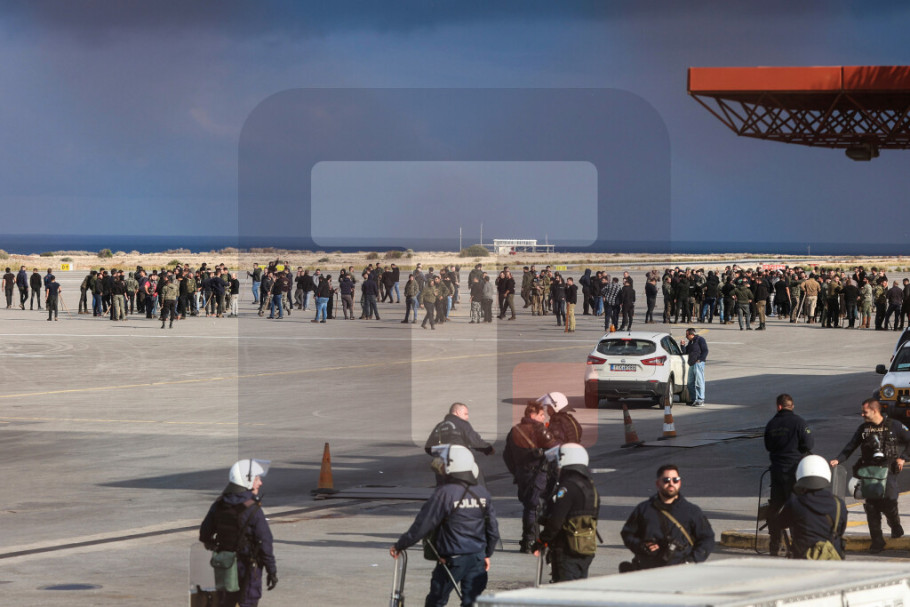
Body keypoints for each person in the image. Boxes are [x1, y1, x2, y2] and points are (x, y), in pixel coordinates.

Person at [390, 445, 499, 607]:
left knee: (436, 601)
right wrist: (486, 554)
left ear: (452, 465)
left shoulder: (445, 493)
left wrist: (401, 545)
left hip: (453, 559)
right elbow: (493, 529)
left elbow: (423, 525)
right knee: (471, 602)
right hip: (477, 557)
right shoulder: (482, 493)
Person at [830, 398, 910, 552]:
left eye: (865, 412)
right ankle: (877, 541)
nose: (862, 414)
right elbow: (851, 445)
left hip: (888, 470)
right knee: (871, 507)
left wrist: (902, 458)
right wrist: (838, 459)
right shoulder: (864, 429)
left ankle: (895, 525)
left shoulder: (894, 425)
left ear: (875, 411)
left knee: (889, 503)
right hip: (869, 472)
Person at [199, 459, 277, 607]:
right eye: (257, 479)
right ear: (247, 481)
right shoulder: (252, 509)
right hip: (249, 567)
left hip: (225, 565)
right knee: (247, 602)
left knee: (224, 602)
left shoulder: (219, 504)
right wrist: (271, 570)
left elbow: (204, 534)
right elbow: (265, 541)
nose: (260, 483)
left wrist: (216, 546)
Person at [619, 464, 715, 571]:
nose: (671, 483)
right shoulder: (644, 509)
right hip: (648, 570)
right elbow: (627, 534)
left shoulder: (691, 511)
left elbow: (707, 538)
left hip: (679, 571)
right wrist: (641, 546)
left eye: (675, 480)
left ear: (680, 483)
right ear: (657, 483)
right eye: (666, 480)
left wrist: (691, 561)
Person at [534, 443, 599, 582]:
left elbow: (556, 521)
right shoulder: (590, 487)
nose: (556, 468)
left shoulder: (567, 487)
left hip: (566, 550)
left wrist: (542, 540)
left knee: (564, 590)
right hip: (585, 548)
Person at [763, 393, 814, 556]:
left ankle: (775, 543)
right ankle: (797, 544)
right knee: (796, 506)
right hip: (794, 471)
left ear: (779, 406)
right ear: (792, 406)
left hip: (777, 471)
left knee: (775, 507)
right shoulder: (799, 422)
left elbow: (768, 446)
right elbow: (808, 444)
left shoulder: (771, 424)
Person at [503, 401, 557, 553]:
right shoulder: (540, 430)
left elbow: (507, 455)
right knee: (536, 507)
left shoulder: (515, 430)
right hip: (538, 473)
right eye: (541, 415)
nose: (544, 418)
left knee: (530, 506)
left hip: (522, 474)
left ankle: (530, 539)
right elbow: (555, 451)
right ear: (533, 415)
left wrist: (516, 471)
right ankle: (531, 540)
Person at [777, 455, 846, 560]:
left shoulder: (796, 502)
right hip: (831, 557)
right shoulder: (838, 503)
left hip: (803, 557)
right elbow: (840, 530)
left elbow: (780, 523)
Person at [425, 403, 495, 486]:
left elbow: (428, 447)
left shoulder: (439, 426)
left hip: (442, 465)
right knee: (477, 480)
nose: (467, 417)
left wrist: (441, 452)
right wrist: (489, 449)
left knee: (442, 488)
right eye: (465, 414)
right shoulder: (462, 424)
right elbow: (475, 442)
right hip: (461, 463)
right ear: (457, 412)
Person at [680, 328, 707, 407]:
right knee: (690, 383)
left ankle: (700, 399)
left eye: (687, 334)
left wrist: (700, 359)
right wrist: (682, 346)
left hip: (698, 364)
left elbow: (705, 351)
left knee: (699, 382)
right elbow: (685, 352)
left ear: (692, 334)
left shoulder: (700, 340)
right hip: (691, 364)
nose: (686, 336)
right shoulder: (691, 342)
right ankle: (693, 399)